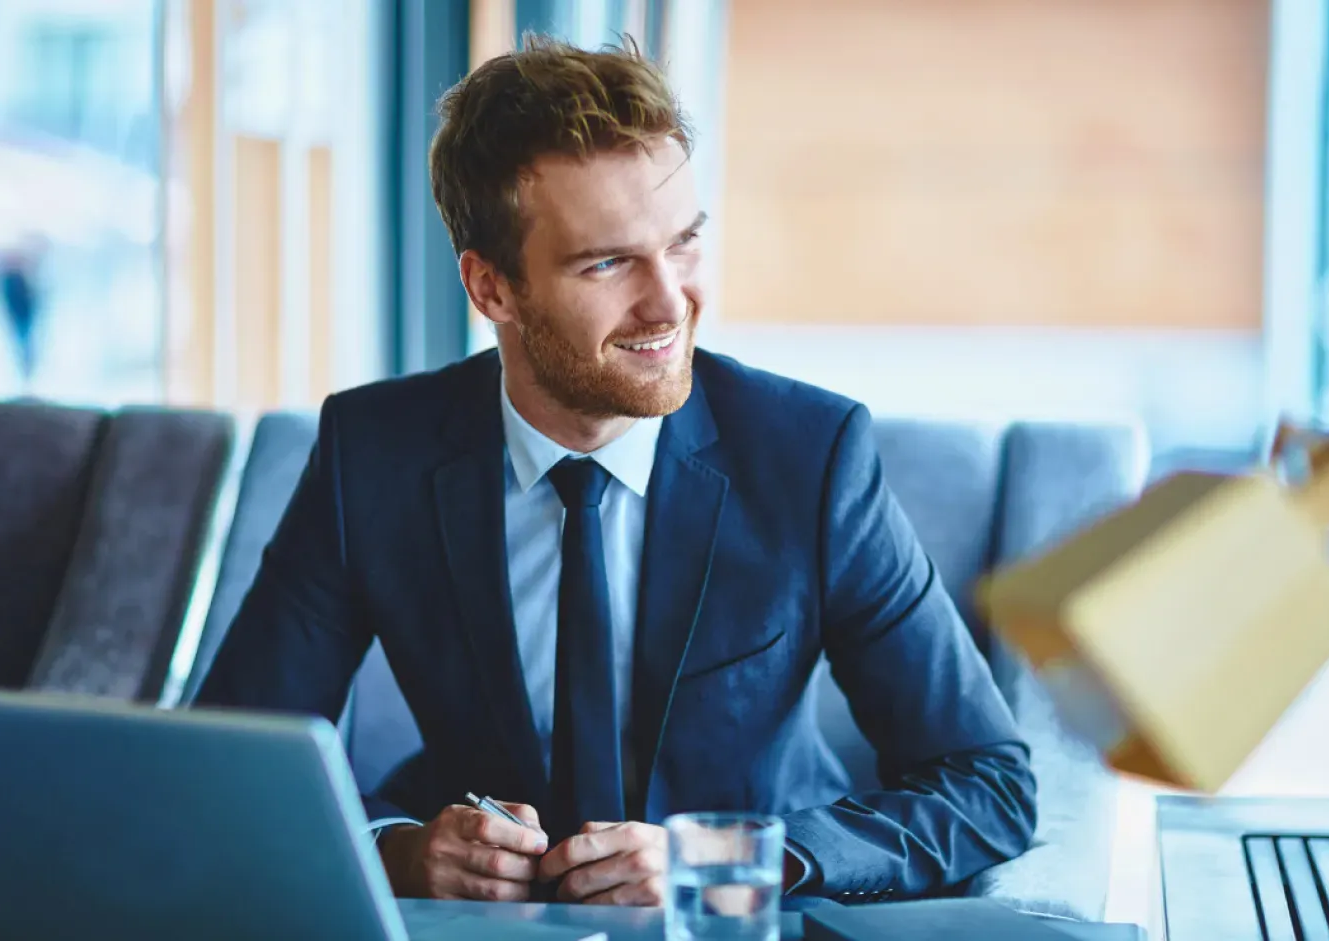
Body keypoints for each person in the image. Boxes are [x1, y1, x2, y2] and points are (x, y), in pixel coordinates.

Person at [196, 36, 1035, 907]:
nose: (670, 302)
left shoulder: (810, 455)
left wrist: (722, 864)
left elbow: (987, 783)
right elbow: (231, 759)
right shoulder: (373, 452)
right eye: (607, 262)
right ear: (492, 289)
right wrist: (399, 850)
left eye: (683, 243)